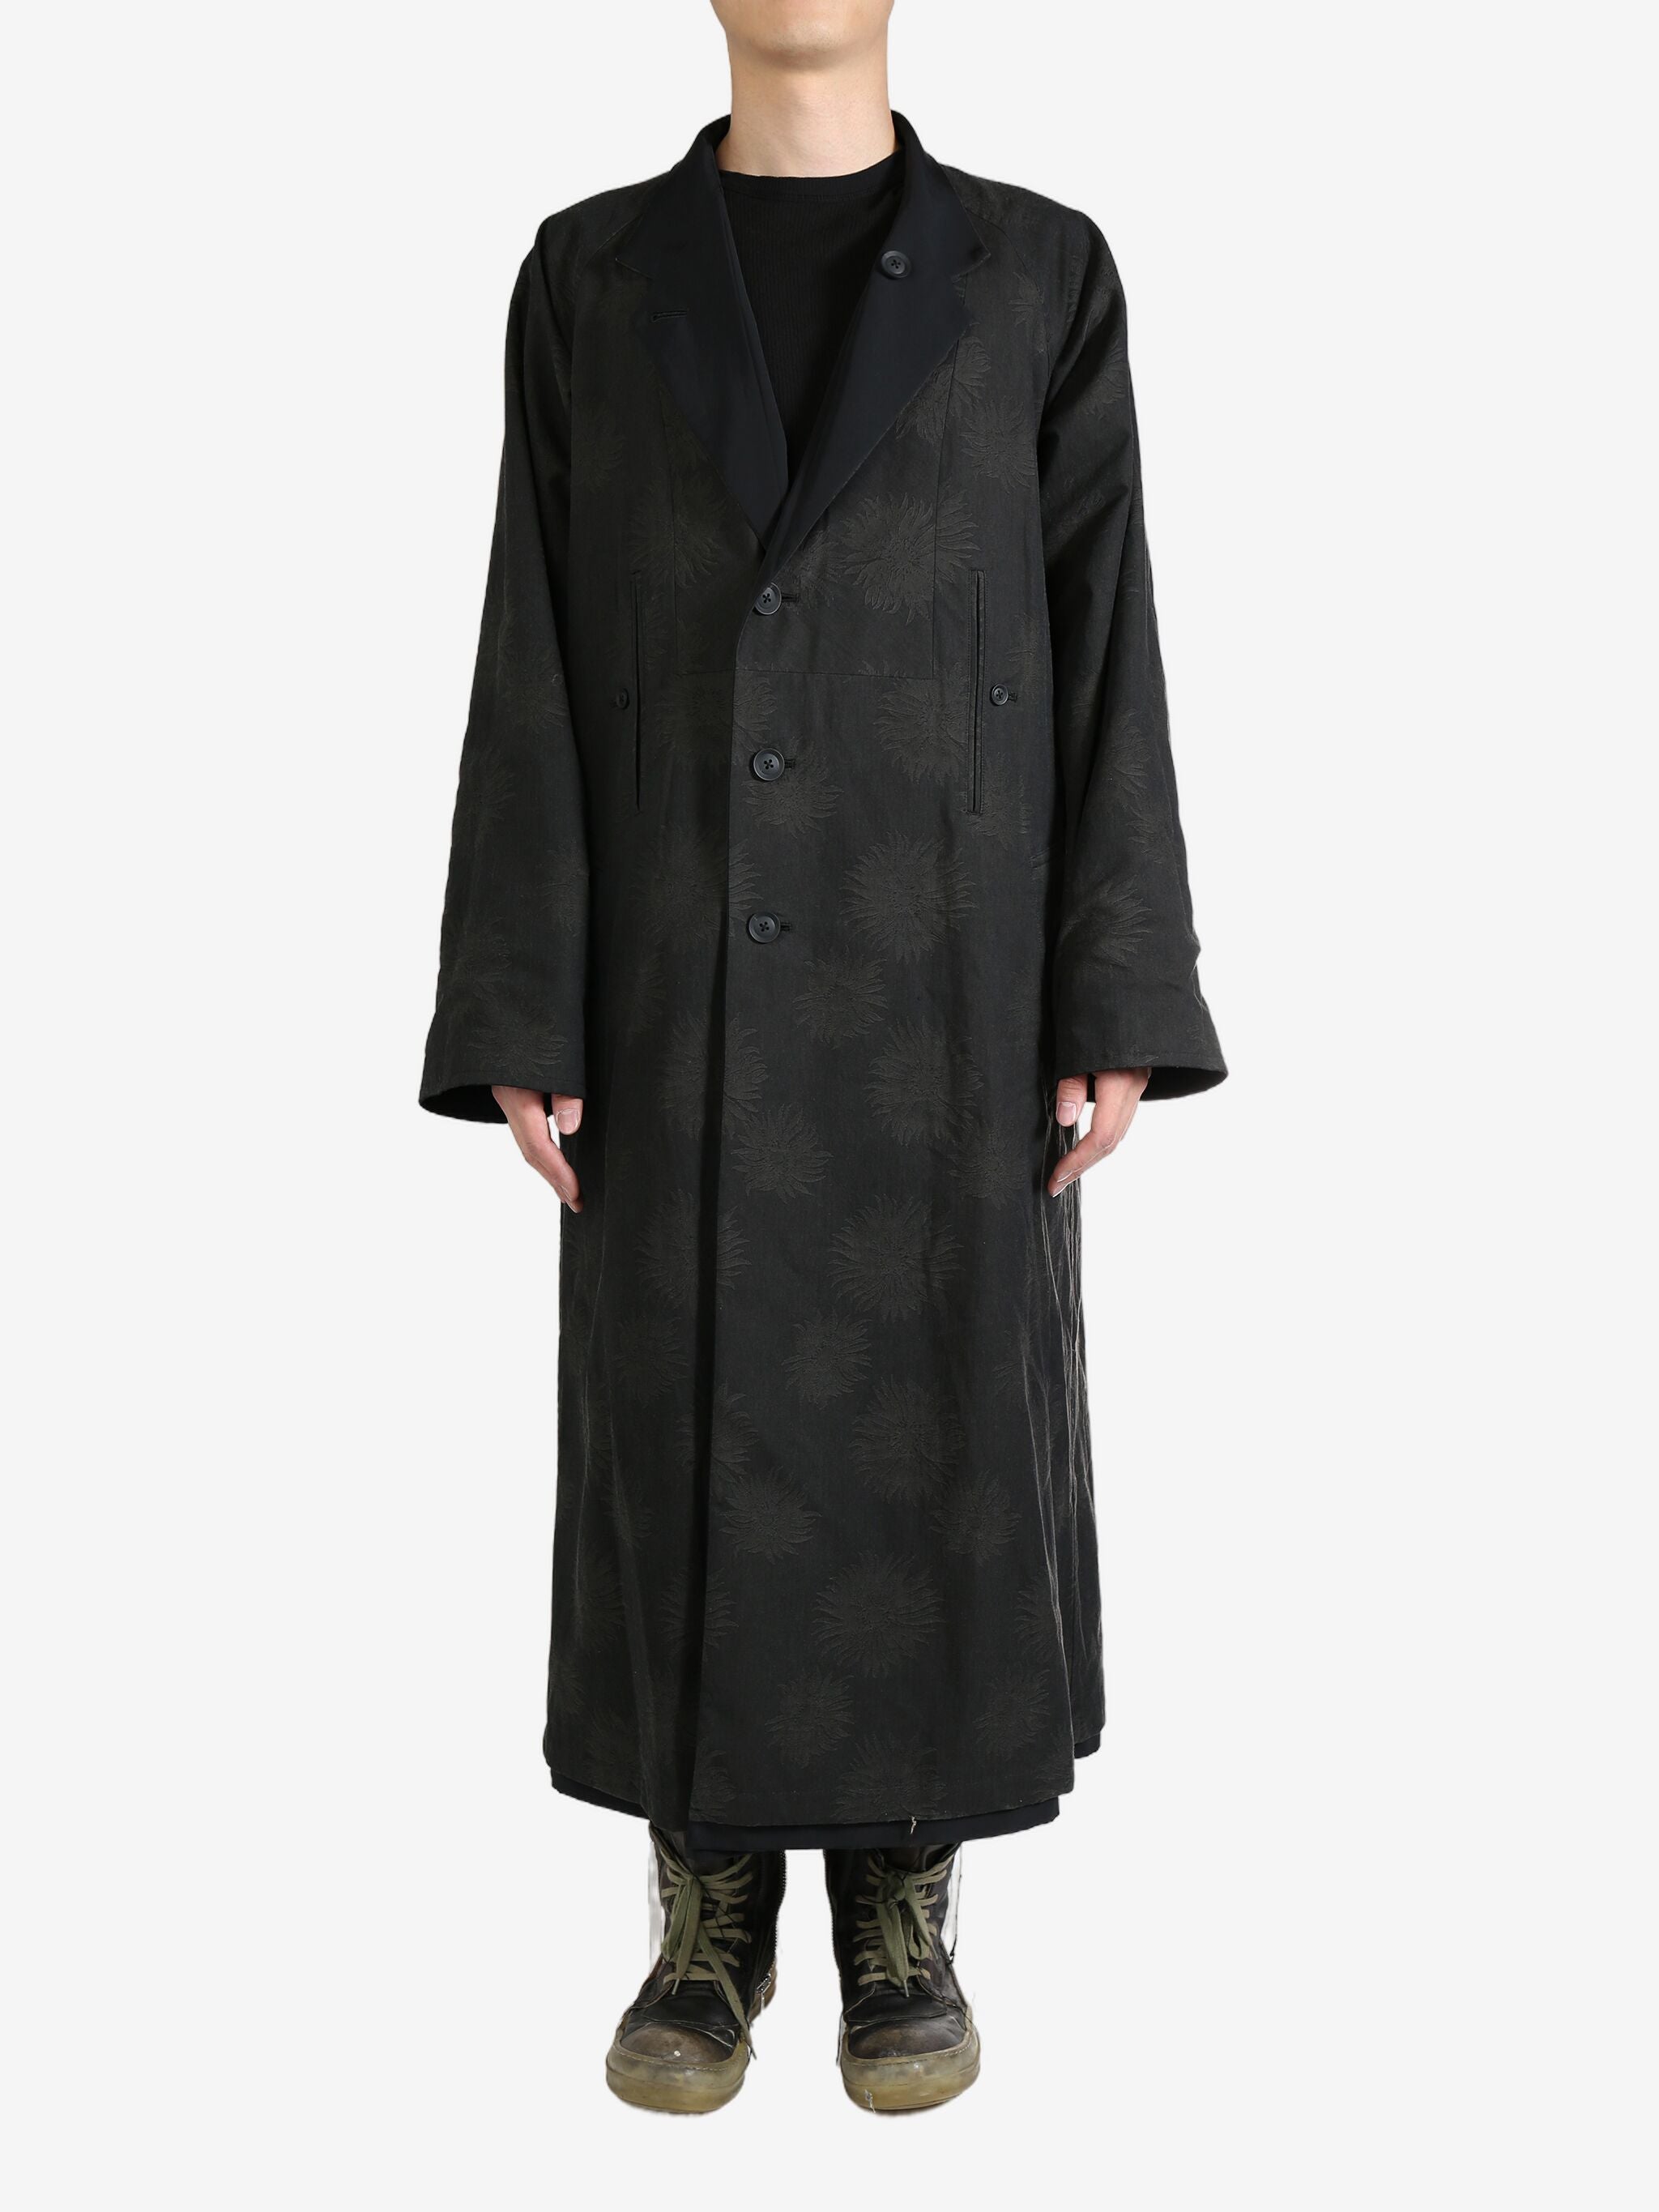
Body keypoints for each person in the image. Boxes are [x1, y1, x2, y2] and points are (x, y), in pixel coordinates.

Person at [420, 0, 1224, 2115]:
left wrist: (1115, 991)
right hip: (674, 983)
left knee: (930, 1421)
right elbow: (532, 643)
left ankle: (900, 1898)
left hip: (946, 993)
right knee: (678, 1417)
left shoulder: (1039, 273)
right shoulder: (591, 278)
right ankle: (707, 1909)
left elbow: (1107, 634)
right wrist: (525, 999)